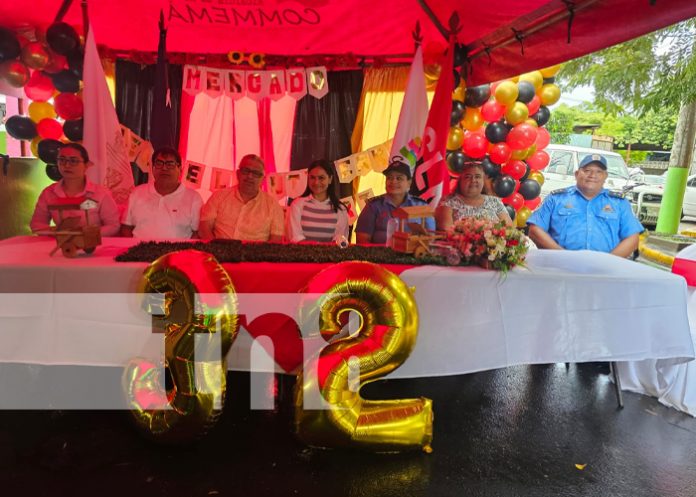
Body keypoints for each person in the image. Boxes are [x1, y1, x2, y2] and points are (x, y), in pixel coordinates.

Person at [527, 154, 644, 257]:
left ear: (605, 176)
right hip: (560, 268)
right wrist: (561, 257)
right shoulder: (556, 199)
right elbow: (535, 230)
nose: (593, 175)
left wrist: (610, 262)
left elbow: (632, 238)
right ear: (577, 174)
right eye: (587, 170)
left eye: (599, 171)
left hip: (605, 272)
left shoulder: (619, 203)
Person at [30, 142, 120, 236]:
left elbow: (113, 226)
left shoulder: (101, 193)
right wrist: (54, 232)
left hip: (93, 245)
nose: (67, 165)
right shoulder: (48, 193)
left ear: (87, 165)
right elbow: (37, 224)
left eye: (73, 161)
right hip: (60, 245)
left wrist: (87, 235)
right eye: (62, 160)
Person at [120, 147, 203, 239]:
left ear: (180, 169)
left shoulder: (193, 198)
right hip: (139, 251)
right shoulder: (137, 193)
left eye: (170, 164)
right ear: (152, 168)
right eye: (159, 163)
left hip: (176, 252)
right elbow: (126, 228)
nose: (164, 168)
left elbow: (197, 233)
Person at [199, 154, 284, 241]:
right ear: (238, 174)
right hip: (218, 252)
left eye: (255, 173)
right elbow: (204, 227)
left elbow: (275, 241)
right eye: (246, 171)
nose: (250, 176)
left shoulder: (273, 206)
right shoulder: (219, 196)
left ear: (262, 179)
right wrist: (215, 250)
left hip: (256, 254)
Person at [355, 158, 435, 245]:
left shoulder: (421, 206)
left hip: (413, 256)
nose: (393, 181)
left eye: (399, 178)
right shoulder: (373, 207)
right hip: (380, 257)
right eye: (389, 178)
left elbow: (431, 239)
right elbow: (362, 241)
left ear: (409, 182)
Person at [435, 160, 513, 230]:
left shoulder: (494, 201)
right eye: (468, 177)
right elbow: (446, 229)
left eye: (477, 177)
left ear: (483, 181)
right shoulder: (448, 201)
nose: (473, 180)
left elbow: (509, 228)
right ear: (460, 181)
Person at [286, 159, 349, 243]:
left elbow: (340, 239)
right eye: (312, 177)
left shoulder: (340, 209)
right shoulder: (297, 205)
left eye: (321, 178)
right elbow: (295, 237)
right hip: (301, 254)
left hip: (330, 255)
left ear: (330, 179)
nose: (316, 182)